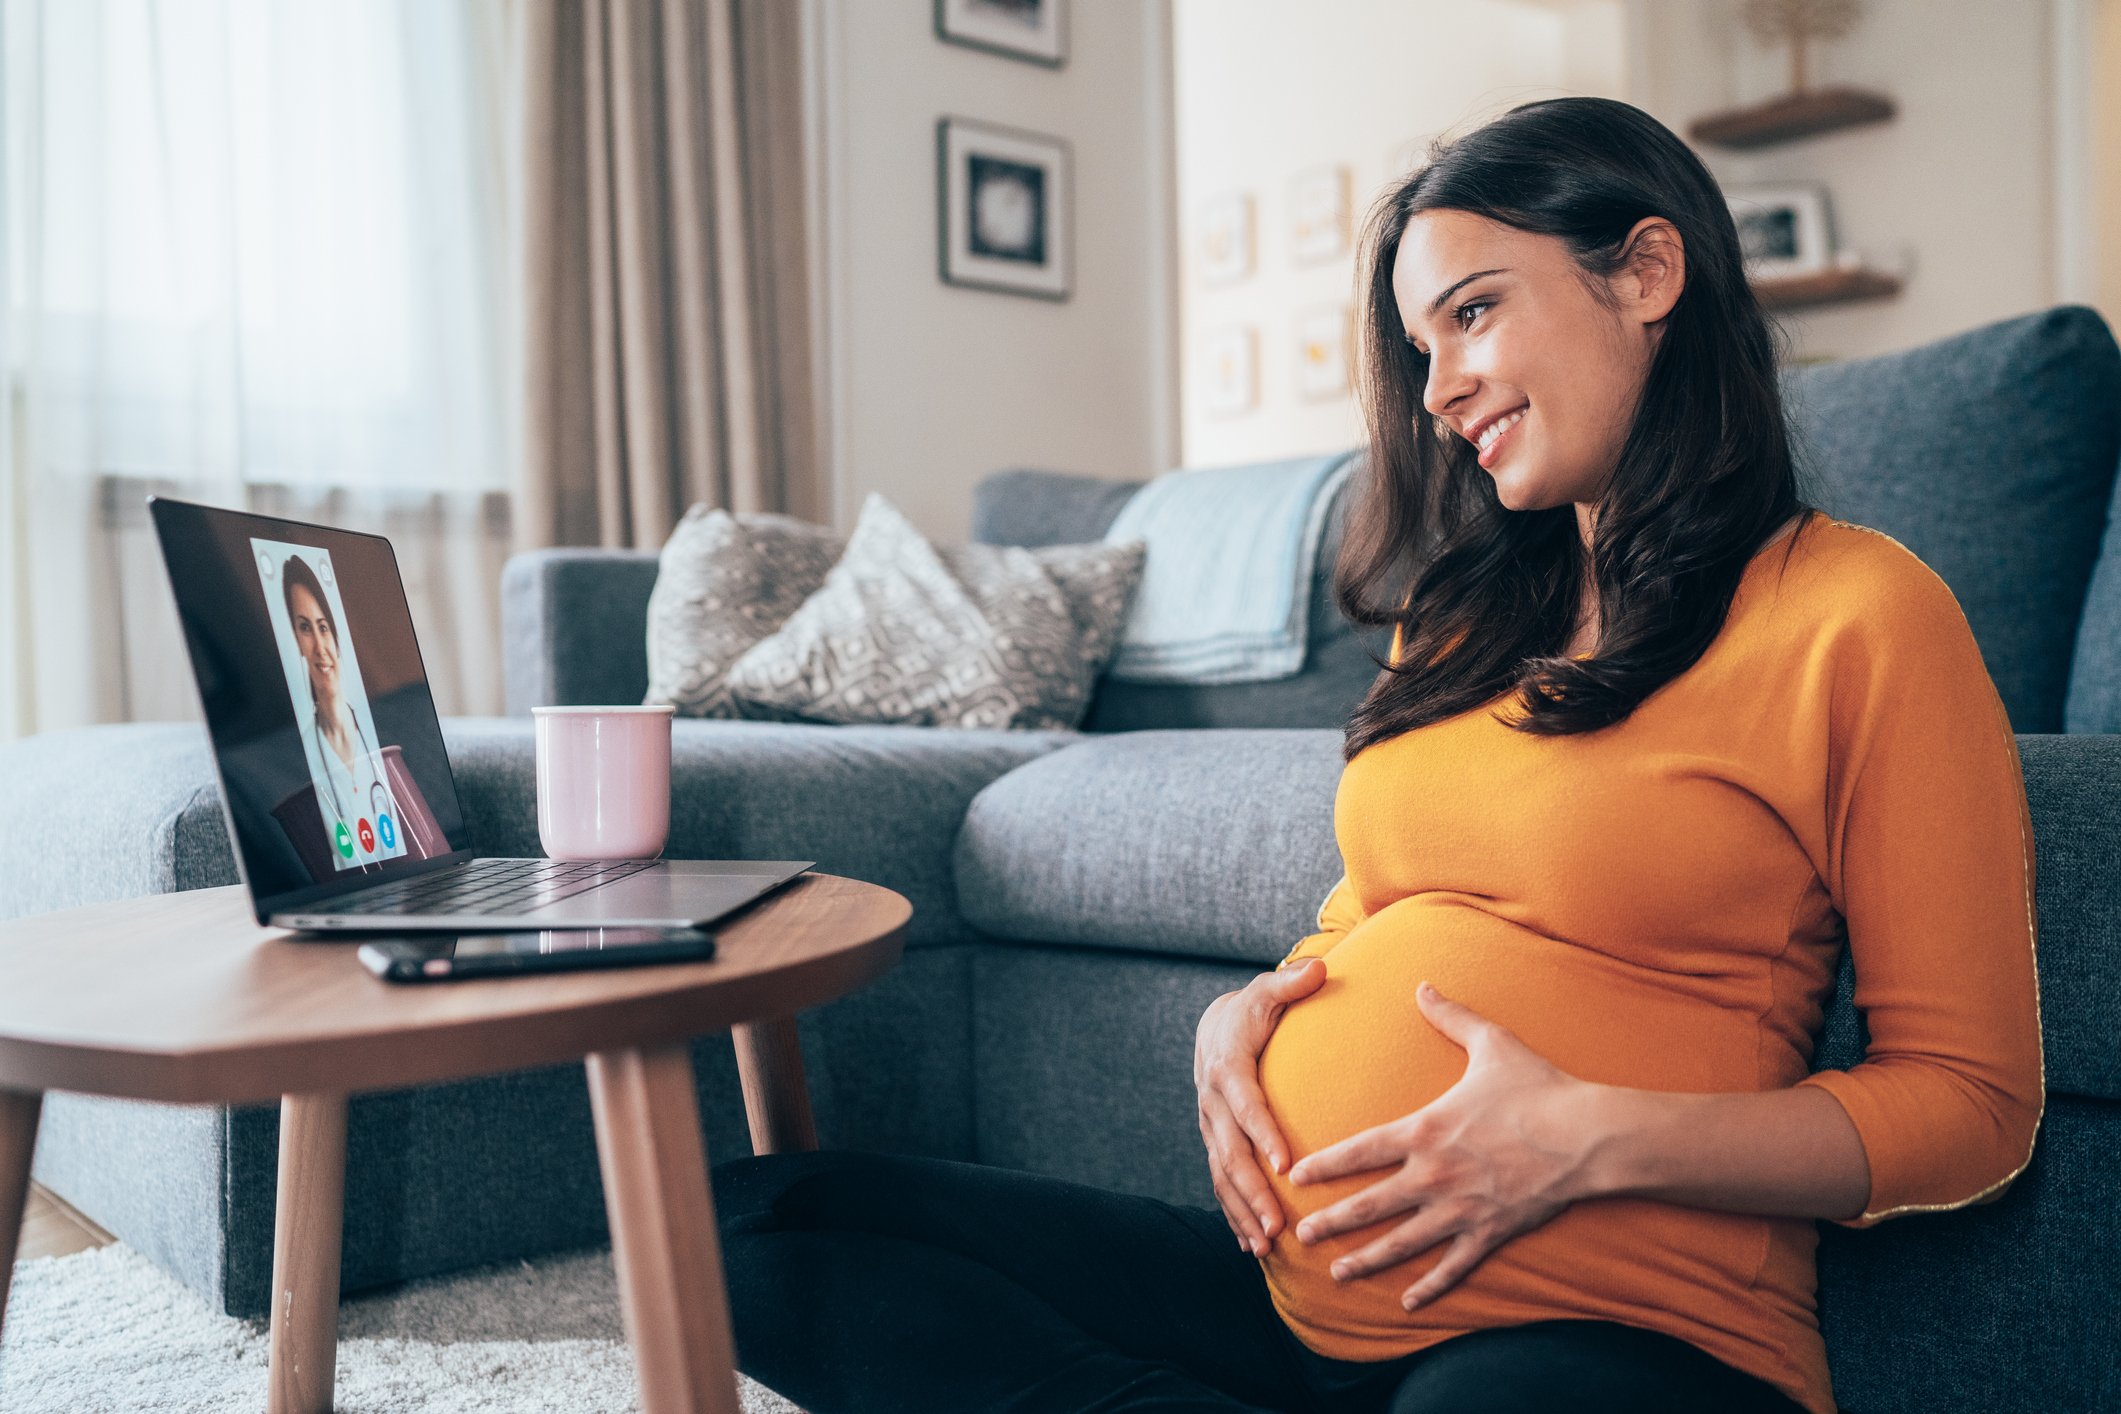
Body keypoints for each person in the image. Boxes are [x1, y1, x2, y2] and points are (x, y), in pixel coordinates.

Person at [709, 96, 2042, 1414]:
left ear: (1644, 272)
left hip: (1625, 1329)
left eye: (1472, 310)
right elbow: (1378, 908)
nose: (1437, 385)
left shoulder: (1857, 612)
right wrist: (1250, 1013)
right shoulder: (1460, 613)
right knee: (749, 1224)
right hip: (1296, 1296)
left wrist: (1582, 1140)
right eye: (1418, 343)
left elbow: (1972, 1106)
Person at [282, 553, 399, 861]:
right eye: (305, 628)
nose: (320, 647)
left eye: (323, 627)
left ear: (335, 635)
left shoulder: (380, 732)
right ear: (296, 640)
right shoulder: (302, 752)